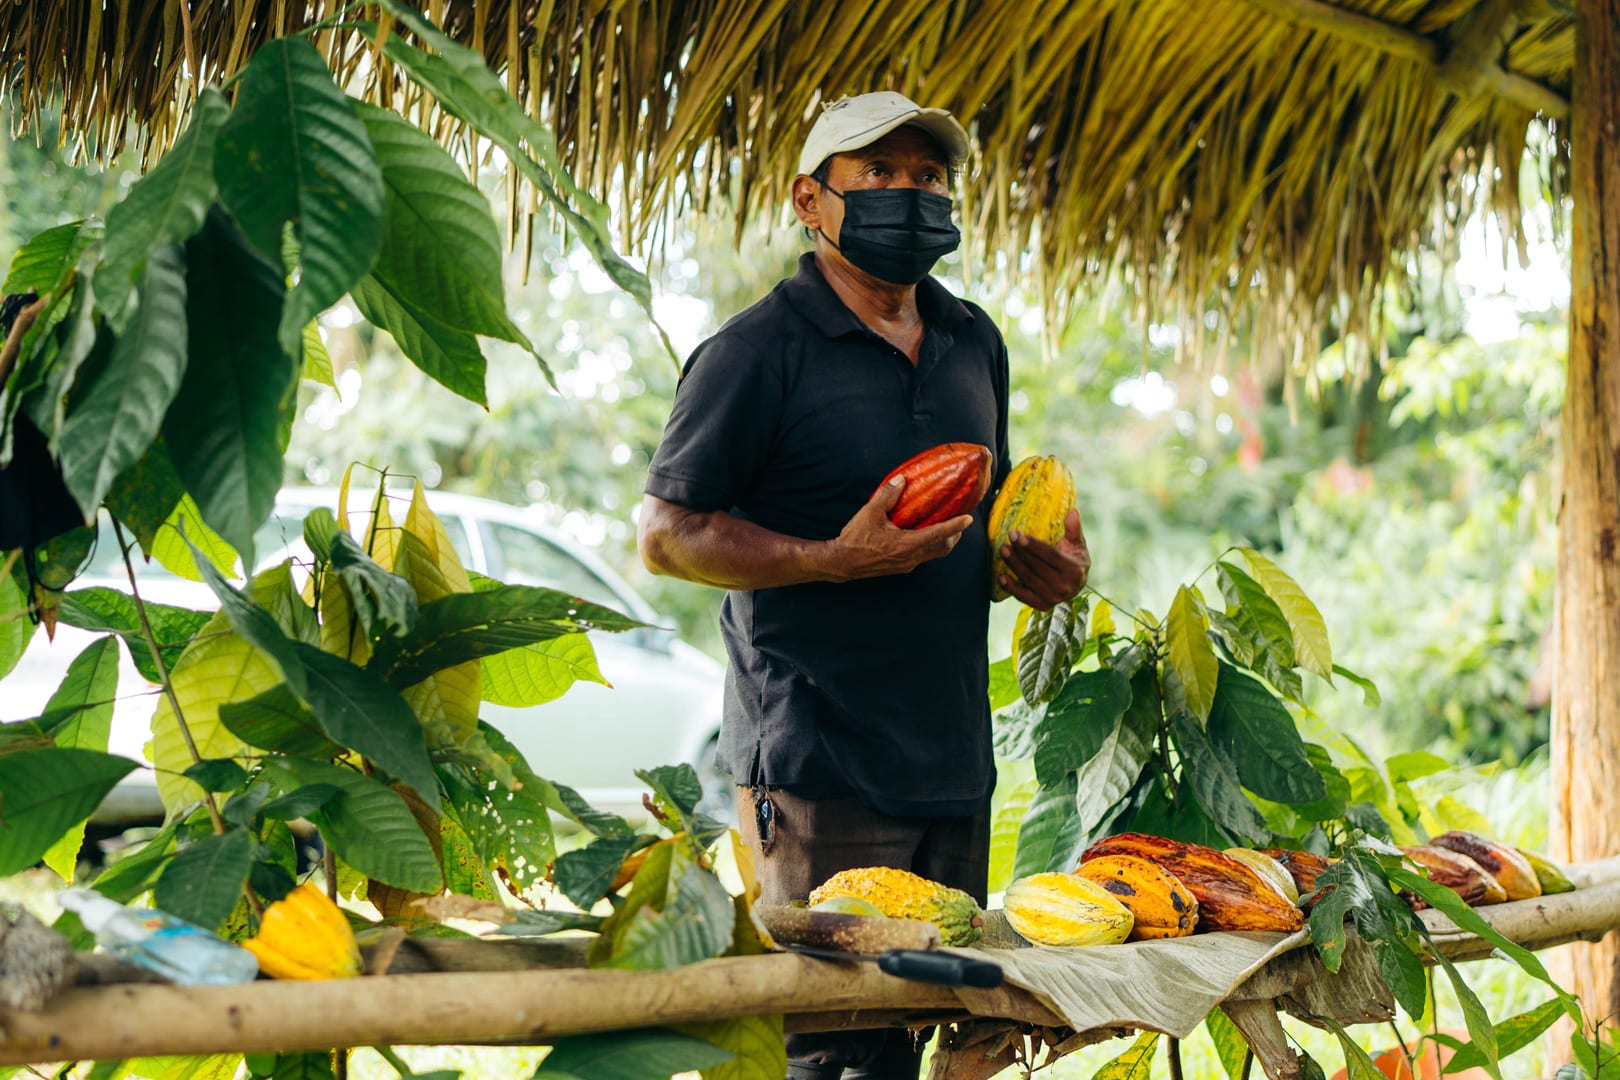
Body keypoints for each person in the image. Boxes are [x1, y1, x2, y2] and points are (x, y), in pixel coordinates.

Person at [637, 91, 1089, 1079]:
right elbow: (666, 538)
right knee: (834, 1052)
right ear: (811, 199)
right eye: (877, 175)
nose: (907, 195)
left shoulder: (974, 341)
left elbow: (983, 523)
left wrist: (1039, 567)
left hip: (952, 757)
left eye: (926, 177)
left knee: (958, 1030)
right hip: (817, 768)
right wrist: (826, 560)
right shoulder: (755, 352)